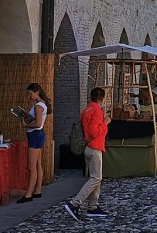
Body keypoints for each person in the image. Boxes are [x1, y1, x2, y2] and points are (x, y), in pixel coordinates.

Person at [63, 88, 111, 221]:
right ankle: (75, 203)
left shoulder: (86, 110)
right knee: (96, 178)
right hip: (95, 147)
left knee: (95, 177)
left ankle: (93, 207)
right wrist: (105, 123)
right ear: (101, 98)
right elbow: (95, 131)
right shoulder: (96, 111)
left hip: (87, 147)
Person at [18, 83, 51, 202]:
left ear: (37, 92)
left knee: (31, 166)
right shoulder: (41, 105)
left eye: (31, 94)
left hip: (35, 135)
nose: (29, 96)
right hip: (38, 135)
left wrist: (25, 124)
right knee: (38, 164)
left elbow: (37, 124)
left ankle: (28, 194)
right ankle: (37, 190)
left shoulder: (38, 106)